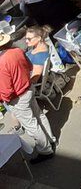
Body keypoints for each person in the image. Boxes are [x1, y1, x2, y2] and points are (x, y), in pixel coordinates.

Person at [0, 33, 54, 163]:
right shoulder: (17, 51)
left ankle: (46, 150)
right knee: (39, 115)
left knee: (31, 125)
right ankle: (51, 139)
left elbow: (6, 90)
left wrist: (4, 100)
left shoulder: (1, 62)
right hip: (28, 88)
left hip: (17, 98)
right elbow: (29, 67)